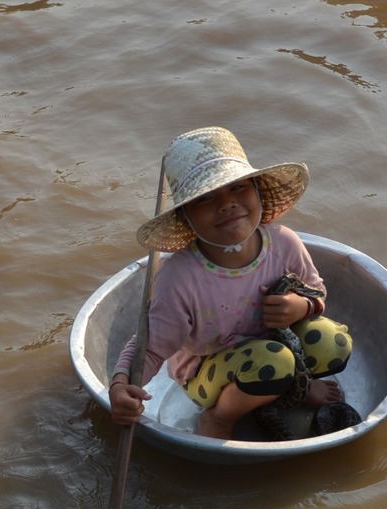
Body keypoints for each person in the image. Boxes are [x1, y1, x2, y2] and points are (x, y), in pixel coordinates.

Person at [109, 126, 353, 440]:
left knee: (332, 341)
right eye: (206, 198)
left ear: (258, 191)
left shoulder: (284, 244)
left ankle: (296, 387)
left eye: (238, 188)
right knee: (272, 362)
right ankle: (220, 416)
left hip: (274, 350)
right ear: (186, 218)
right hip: (209, 371)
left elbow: (316, 291)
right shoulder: (181, 278)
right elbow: (150, 349)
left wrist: (301, 306)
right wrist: (120, 386)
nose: (227, 204)